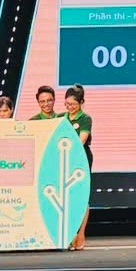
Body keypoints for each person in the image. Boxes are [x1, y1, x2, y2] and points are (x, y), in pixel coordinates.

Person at [62, 84, 94, 250]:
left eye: (73, 104)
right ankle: (68, 235)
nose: (70, 107)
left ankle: (80, 234)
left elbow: (81, 140)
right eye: (67, 104)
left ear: (81, 102)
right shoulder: (61, 118)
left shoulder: (85, 119)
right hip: (63, 159)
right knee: (65, 196)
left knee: (81, 196)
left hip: (80, 158)